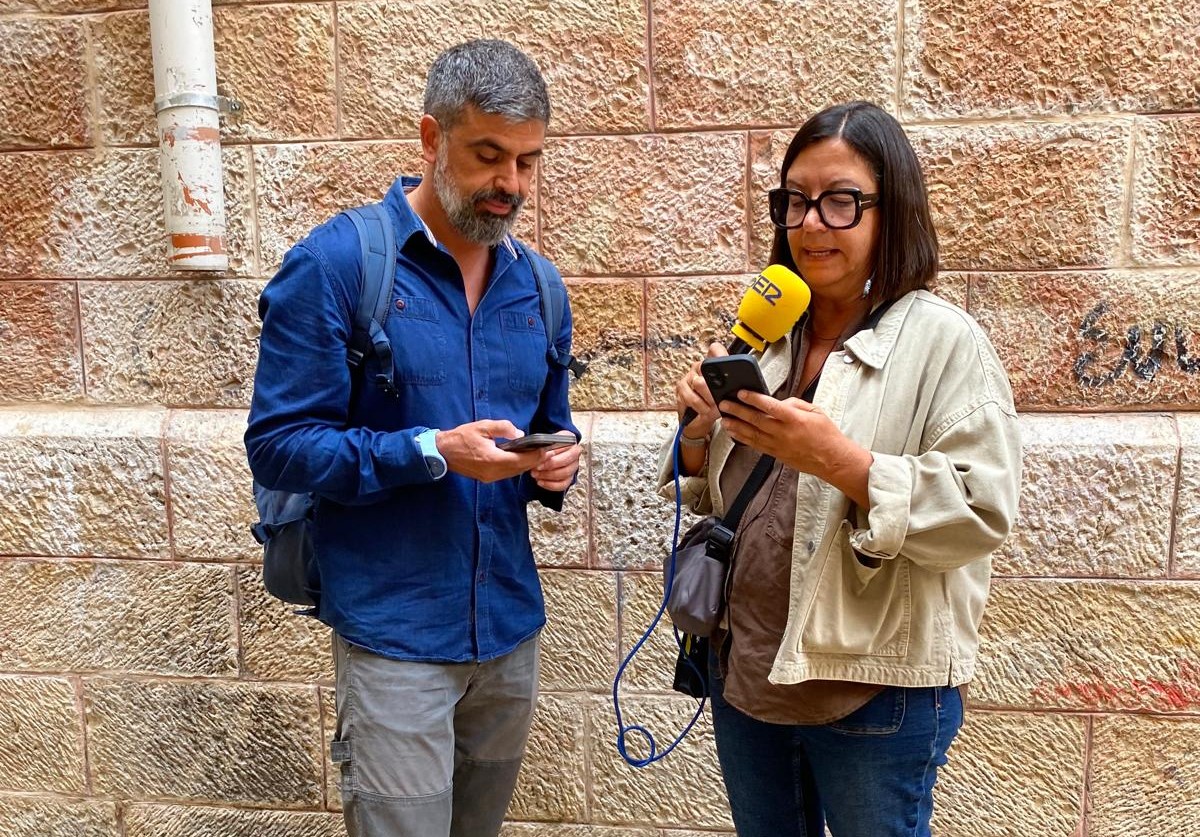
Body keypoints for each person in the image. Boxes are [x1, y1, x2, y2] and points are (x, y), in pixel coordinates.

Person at [245, 40, 582, 837]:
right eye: (488, 156)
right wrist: (429, 450)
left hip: (506, 631)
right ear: (431, 140)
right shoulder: (335, 265)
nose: (510, 185)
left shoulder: (540, 285)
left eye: (528, 163)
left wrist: (552, 465)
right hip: (394, 638)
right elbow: (280, 443)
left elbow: (547, 429)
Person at [659, 101, 1021, 837]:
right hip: (749, 673)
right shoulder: (767, 338)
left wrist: (846, 465)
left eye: (840, 201)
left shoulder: (945, 343)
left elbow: (982, 510)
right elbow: (720, 493)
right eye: (794, 200)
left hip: (870, 692)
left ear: (893, 211)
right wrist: (697, 438)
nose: (811, 222)